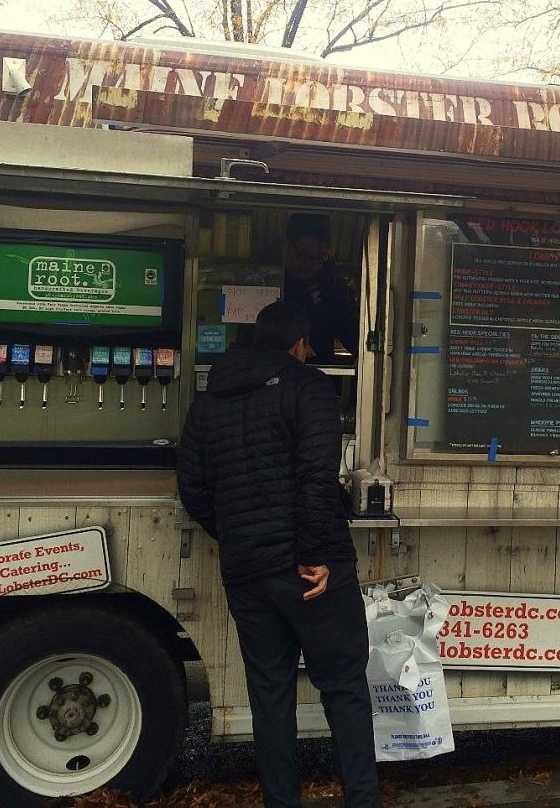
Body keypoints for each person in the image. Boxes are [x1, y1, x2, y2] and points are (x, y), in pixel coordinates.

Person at [177, 301, 381, 808]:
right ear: (297, 343)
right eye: (308, 343)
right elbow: (316, 476)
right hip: (311, 571)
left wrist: (238, 534)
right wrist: (315, 554)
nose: (311, 352)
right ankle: (361, 800)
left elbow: (193, 489)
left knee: (270, 697)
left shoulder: (209, 399)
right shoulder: (308, 387)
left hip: (246, 570)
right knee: (344, 690)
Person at [282, 213, 360, 365]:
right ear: (287, 246)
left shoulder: (330, 279)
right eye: (302, 255)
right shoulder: (265, 276)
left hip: (319, 372)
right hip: (272, 374)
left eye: (317, 258)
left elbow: (347, 322)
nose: (308, 265)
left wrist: (365, 354)